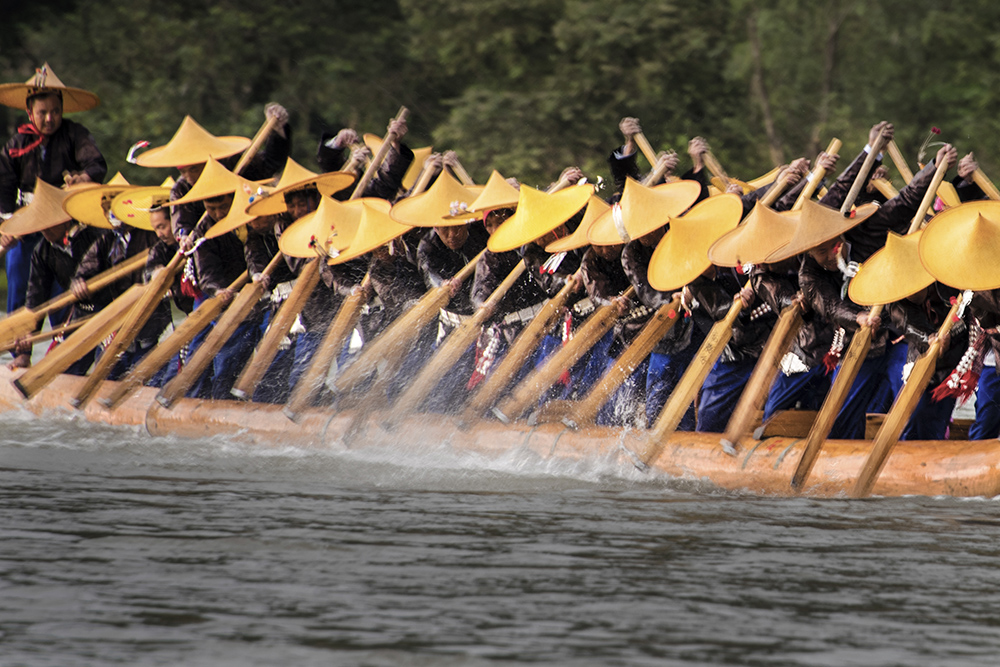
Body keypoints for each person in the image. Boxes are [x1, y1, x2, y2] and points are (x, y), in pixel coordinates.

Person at [0, 64, 106, 314]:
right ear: (30, 112)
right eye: (43, 112)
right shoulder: (17, 144)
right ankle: (21, 337)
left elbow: (96, 163)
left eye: (55, 111)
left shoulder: (75, 134)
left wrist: (83, 178)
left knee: (63, 291)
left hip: (63, 225)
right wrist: (6, 225)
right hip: (26, 223)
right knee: (19, 286)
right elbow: (4, 185)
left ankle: (63, 333)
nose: (49, 118)